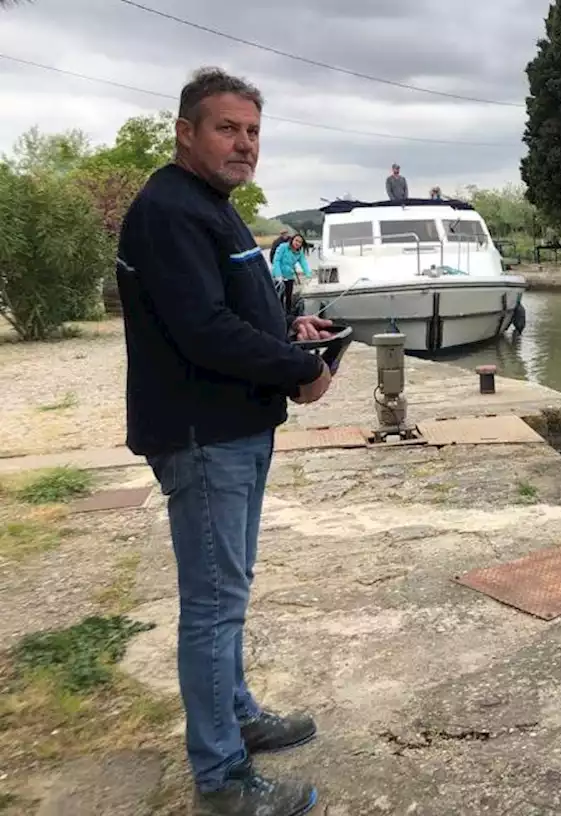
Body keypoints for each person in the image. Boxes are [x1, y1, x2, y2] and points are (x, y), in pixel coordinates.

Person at [114, 66, 332, 816]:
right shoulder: (169, 211)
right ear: (185, 132)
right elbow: (201, 331)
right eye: (226, 129)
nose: (244, 145)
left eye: (252, 132)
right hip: (204, 435)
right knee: (212, 603)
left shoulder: (210, 204)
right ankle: (221, 778)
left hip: (235, 428)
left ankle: (235, 714)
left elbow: (228, 302)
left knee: (227, 594)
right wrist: (298, 367)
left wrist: (288, 327)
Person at [272, 233, 312, 315]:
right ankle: (277, 314)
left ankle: (288, 314)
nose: (297, 243)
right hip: (278, 275)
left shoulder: (299, 252)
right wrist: (278, 275)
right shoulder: (283, 247)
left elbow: (303, 263)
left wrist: (308, 275)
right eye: (296, 240)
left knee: (289, 297)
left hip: (289, 275)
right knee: (279, 296)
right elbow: (276, 260)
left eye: (300, 242)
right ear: (292, 240)